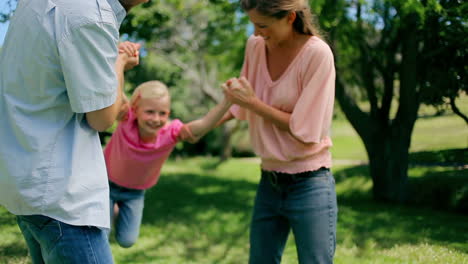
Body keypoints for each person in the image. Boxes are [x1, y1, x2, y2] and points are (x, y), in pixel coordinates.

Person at [0, 0, 148, 263]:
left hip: (24, 185)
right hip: (63, 200)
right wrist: (118, 63)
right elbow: (101, 119)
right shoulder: (91, 15)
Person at [220, 0, 338, 263]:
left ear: (290, 17)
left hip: (310, 183)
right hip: (269, 181)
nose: (256, 32)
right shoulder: (256, 46)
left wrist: (253, 104)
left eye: (262, 25)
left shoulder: (317, 55)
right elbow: (239, 103)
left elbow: (306, 130)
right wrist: (196, 127)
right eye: (252, 24)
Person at [103, 77, 232, 248]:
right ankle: (109, 212)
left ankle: (117, 210)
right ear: (136, 110)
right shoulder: (126, 118)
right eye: (149, 112)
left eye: (162, 113)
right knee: (101, 234)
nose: (156, 119)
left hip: (134, 193)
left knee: (127, 241)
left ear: (168, 114)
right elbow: (115, 93)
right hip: (106, 185)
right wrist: (121, 62)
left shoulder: (172, 133)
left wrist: (227, 102)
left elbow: (201, 126)